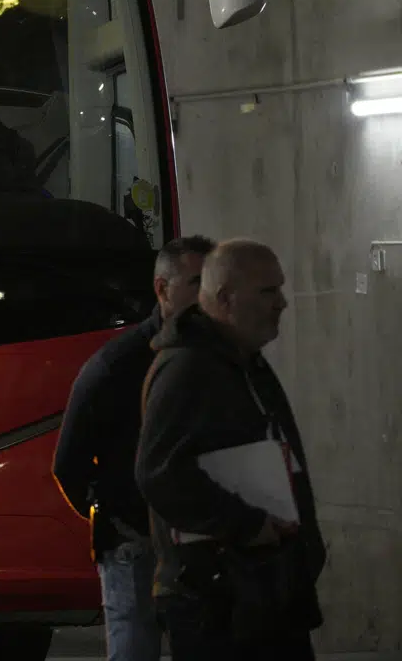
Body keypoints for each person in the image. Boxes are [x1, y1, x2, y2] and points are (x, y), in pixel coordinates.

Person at [135, 239, 326, 660]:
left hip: (263, 591)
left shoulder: (244, 361)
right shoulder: (187, 368)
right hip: (219, 602)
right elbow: (159, 473)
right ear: (225, 299)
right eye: (268, 291)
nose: (282, 303)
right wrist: (247, 524)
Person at [53, 235, 214, 661]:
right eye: (196, 283)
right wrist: (116, 516)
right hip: (135, 543)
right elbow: (68, 462)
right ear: (163, 289)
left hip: (202, 540)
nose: (208, 295)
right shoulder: (117, 364)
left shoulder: (219, 359)